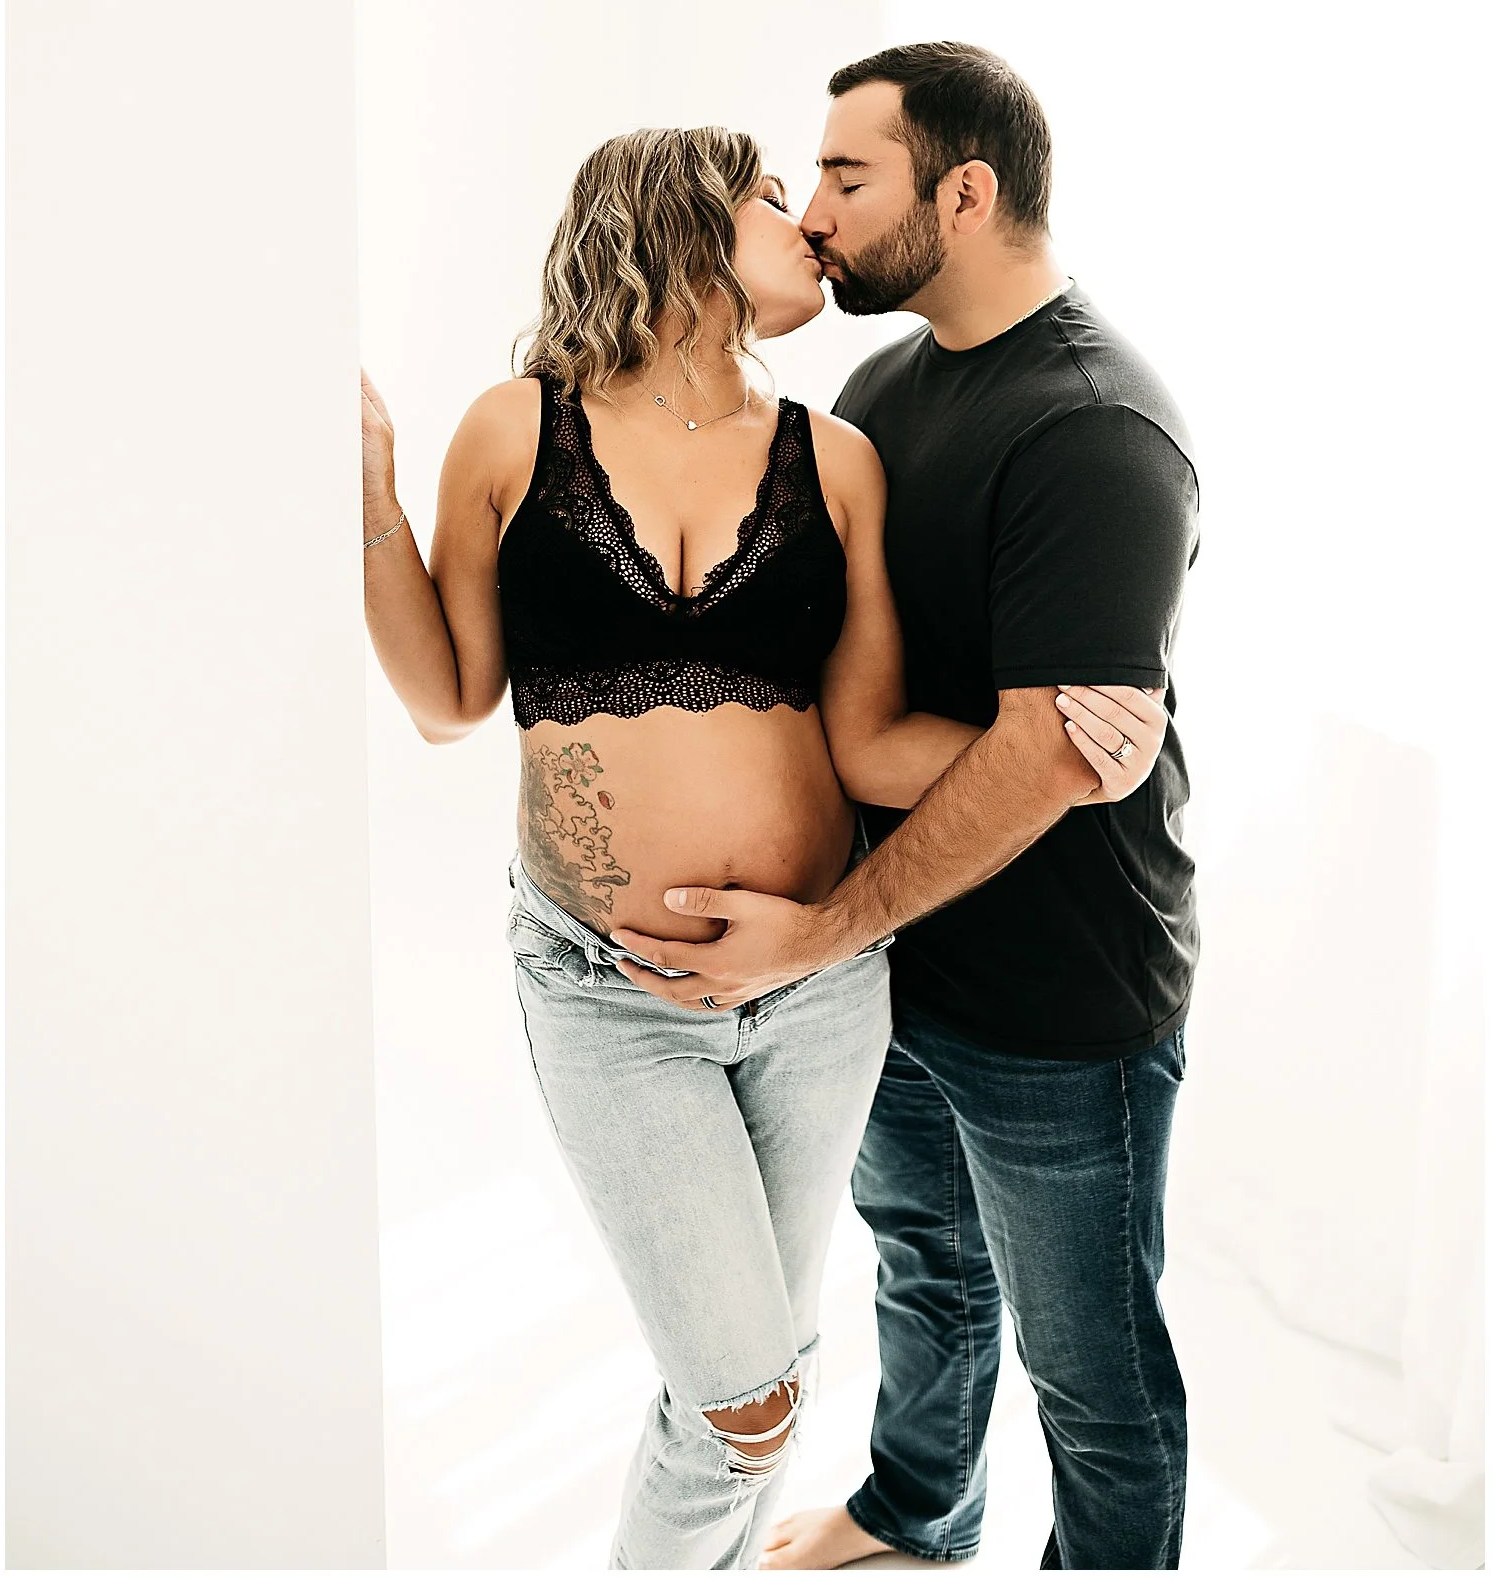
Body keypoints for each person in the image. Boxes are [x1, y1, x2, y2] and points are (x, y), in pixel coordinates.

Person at [360, 121, 1168, 1570]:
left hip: (818, 994)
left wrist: (1067, 748)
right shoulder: (512, 429)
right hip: (612, 993)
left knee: (763, 1381)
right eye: (775, 199)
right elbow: (447, 703)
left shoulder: (836, 457)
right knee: (743, 1402)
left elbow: (868, 743)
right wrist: (366, 491)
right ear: (679, 220)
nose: (812, 229)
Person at [608, 47, 1201, 1572]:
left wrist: (820, 930)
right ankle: (917, 1512)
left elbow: (1047, 757)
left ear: (967, 192)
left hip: (1059, 993)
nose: (814, 212)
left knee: (1095, 1379)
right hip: (894, 969)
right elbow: (846, 692)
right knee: (928, 1272)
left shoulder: (1095, 429)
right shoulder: (883, 389)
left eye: (846, 176)